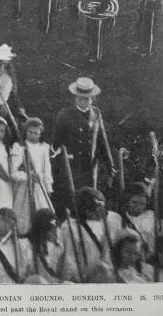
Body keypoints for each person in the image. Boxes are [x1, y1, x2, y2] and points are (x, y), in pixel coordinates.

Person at [51, 77, 113, 219]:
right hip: (72, 166)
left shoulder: (96, 113)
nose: (84, 101)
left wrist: (110, 165)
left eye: (87, 98)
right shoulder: (65, 114)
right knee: (73, 197)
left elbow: (102, 140)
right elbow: (56, 143)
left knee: (90, 198)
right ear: (75, 98)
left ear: (92, 98)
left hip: (90, 167)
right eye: (81, 98)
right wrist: (61, 159)